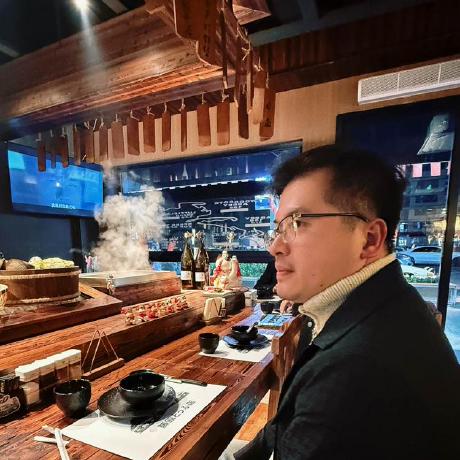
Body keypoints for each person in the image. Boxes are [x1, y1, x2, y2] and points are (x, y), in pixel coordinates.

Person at [230, 144, 460, 460]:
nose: (275, 247)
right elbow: (284, 426)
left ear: (369, 239)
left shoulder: (356, 366)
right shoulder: (384, 303)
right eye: (278, 228)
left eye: (297, 222)